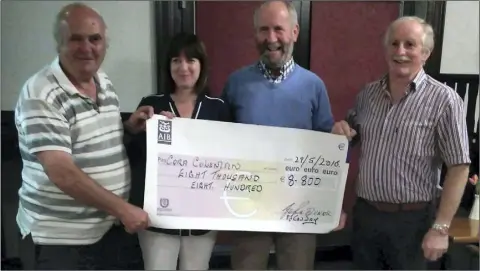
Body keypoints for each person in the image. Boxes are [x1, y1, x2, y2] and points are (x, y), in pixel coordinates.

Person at [15, 3, 152, 269]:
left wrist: (129, 127)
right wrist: (123, 209)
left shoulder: (102, 80)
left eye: (95, 39)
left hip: (105, 231)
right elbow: (62, 172)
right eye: (76, 39)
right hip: (60, 240)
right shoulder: (41, 93)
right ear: (59, 43)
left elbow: (90, 138)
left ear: (105, 44)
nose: (87, 48)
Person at [331, 16, 471, 270]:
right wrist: (341, 132)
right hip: (367, 216)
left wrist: (441, 228)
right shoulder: (368, 95)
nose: (401, 52)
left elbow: (459, 167)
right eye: (394, 44)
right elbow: (350, 139)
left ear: (426, 53)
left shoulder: (445, 101)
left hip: (413, 222)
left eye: (410, 44)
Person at [221, 1, 346, 269]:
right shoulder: (236, 83)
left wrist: (334, 204)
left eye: (279, 29)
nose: (271, 38)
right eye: (263, 30)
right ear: (255, 34)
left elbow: (327, 151)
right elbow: (219, 142)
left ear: (294, 32)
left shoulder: (314, 86)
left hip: (299, 208)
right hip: (248, 206)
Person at [128, 32, 230, 270]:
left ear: (201, 65)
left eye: (191, 60)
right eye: (176, 60)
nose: (183, 67)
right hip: (159, 217)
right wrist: (135, 129)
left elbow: (227, 160)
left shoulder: (218, 108)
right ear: (168, 66)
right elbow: (136, 156)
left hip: (202, 216)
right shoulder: (152, 104)